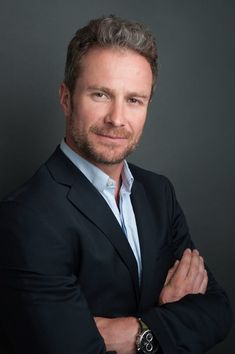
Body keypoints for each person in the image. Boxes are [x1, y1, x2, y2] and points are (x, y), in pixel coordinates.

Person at [0, 15, 232, 354]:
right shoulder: (27, 216)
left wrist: (134, 332)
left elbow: (218, 312)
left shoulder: (159, 194)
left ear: (148, 106)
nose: (117, 118)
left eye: (134, 100)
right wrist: (169, 317)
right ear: (66, 98)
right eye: (100, 94)